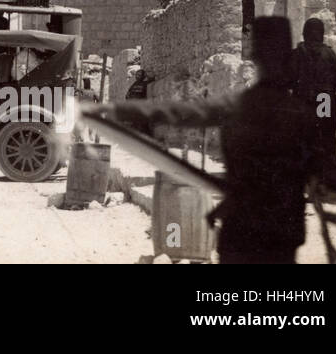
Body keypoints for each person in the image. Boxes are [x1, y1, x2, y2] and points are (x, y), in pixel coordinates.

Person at [103, 16, 319, 264]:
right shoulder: (300, 113)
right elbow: (310, 169)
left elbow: (238, 171)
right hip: (282, 232)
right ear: (287, 57)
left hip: (240, 230)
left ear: (255, 56)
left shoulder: (237, 108)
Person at [292, 17, 336, 161]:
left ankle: (305, 173)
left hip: (303, 100)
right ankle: (328, 172)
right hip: (325, 99)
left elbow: (287, 79)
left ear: (305, 32)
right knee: (326, 134)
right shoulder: (329, 53)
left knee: (303, 135)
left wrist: (298, 90)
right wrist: (327, 90)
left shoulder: (298, 53)